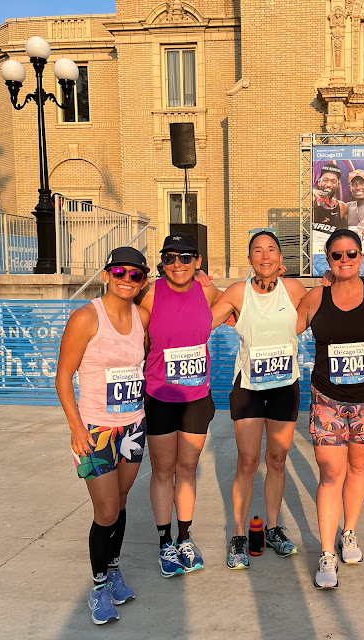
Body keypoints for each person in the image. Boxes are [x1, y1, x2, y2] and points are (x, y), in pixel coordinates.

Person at [55, 247, 151, 625]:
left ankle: (113, 570)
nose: (127, 279)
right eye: (120, 272)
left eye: (135, 274)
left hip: (133, 425)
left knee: (121, 502)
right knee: (106, 510)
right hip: (95, 430)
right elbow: (63, 377)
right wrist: (76, 427)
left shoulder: (142, 317)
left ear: (143, 280)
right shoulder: (85, 318)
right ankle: (98, 588)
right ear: (107, 274)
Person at [296, 229, 364, 589]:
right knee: (330, 472)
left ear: (362, 256)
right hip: (328, 399)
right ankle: (326, 551)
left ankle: (348, 532)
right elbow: (286, 327)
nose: (345, 260)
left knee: (358, 466)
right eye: (337, 255)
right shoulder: (315, 297)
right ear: (328, 259)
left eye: (351, 253)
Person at [209, 230, 307, 569]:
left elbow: (319, 311)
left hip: (285, 386)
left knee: (277, 460)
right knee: (248, 462)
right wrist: (201, 289)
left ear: (280, 258)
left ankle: (273, 528)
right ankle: (239, 534)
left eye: (271, 250)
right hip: (249, 387)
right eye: (258, 251)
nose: (265, 256)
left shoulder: (294, 289)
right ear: (249, 258)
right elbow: (204, 323)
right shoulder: (239, 291)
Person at [136, 233, 222, 577]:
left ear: (197, 261)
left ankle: (184, 537)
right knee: (162, 470)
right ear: (162, 262)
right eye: (170, 257)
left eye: (186, 257)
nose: (177, 264)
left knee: (187, 468)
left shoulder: (208, 292)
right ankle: (164, 543)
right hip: (159, 396)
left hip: (196, 399)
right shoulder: (150, 293)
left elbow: (243, 305)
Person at [313, 163, 348, 231]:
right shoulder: (312, 201)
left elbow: (345, 231)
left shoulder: (342, 206)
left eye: (333, 181)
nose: (329, 185)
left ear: (338, 185)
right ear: (319, 182)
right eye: (325, 180)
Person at [345, 170, 364, 240]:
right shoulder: (347, 207)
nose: (358, 187)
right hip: (351, 246)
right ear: (350, 188)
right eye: (354, 184)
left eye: (362, 183)